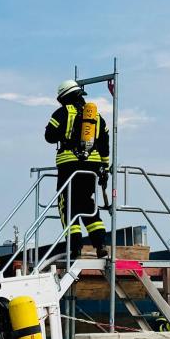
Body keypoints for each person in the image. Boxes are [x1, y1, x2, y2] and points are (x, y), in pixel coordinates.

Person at [45, 81, 108, 261]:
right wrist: (105, 168)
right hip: (93, 167)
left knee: (67, 205)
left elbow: (49, 136)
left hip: (69, 165)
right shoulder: (97, 117)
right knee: (88, 204)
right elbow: (105, 144)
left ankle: (75, 248)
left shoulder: (62, 113)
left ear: (63, 97)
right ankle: (100, 245)